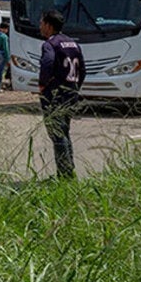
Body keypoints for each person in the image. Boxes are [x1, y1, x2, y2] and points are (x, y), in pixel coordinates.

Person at [37, 9, 83, 179]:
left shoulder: (50, 44)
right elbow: (83, 70)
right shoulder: (73, 43)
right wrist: (75, 86)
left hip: (54, 94)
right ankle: (69, 168)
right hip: (71, 93)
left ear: (49, 26)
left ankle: (64, 174)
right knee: (64, 131)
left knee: (57, 134)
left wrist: (42, 84)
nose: (40, 27)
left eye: (42, 23)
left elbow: (47, 63)